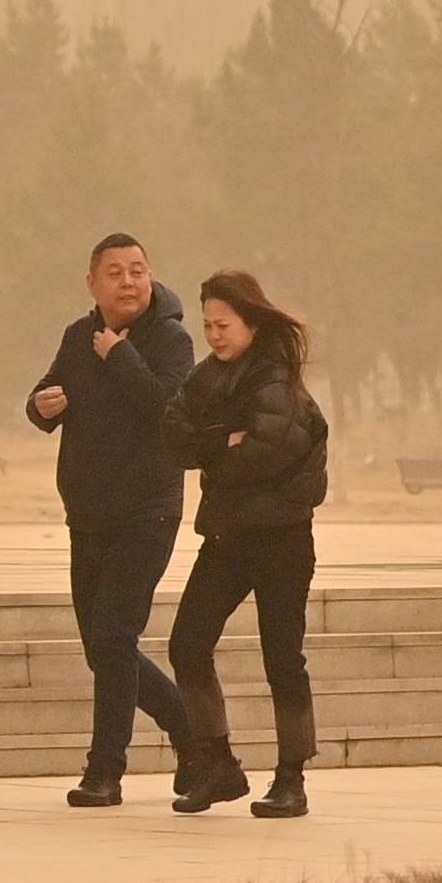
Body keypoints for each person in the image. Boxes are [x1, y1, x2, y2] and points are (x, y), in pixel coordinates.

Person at [23, 233, 194, 807]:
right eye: (115, 272)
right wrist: (41, 405)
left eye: (138, 271)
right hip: (88, 514)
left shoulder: (171, 340)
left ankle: (105, 771)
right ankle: (193, 731)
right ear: (92, 283)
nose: (128, 282)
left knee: (116, 637)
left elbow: (167, 409)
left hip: (148, 511)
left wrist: (119, 355)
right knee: (102, 648)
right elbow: (48, 392)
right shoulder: (79, 335)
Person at [163, 269, 331, 819]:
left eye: (224, 325)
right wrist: (222, 441)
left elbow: (265, 452)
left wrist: (214, 448)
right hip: (227, 536)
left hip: (282, 540)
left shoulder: (276, 379)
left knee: (283, 659)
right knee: (187, 644)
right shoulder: (208, 377)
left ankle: (291, 777)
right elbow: (173, 435)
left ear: (252, 323)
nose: (214, 335)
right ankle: (218, 765)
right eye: (208, 325)